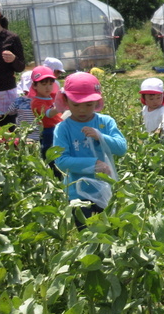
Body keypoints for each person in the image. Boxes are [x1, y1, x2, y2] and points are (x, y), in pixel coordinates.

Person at [53, 72, 127, 228]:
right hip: (77, 191)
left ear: (97, 101)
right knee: (86, 232)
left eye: (88, 104)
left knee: (109, 230)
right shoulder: (63, 128)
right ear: (66, 100)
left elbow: (121, 148)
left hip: (104, 187)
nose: (82, 110)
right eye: (76, 105)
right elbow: (61, 161)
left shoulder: (105, 122)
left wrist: (101, 136)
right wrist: (94, 164)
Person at [29, 66, 63, 175]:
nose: (48, 87)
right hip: (48, 131)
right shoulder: (36, 102)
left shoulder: (52, 96)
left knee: (62, 152)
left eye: (50, 84)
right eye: (44, 84)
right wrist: (60, 106)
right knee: (50, 155)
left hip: (59, 127)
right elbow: (48, 114)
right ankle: (54, 174)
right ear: (34, 86)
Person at [7, 71, 40, 144]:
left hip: (23, 137)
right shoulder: (42, 100)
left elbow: (9, 111)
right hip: (39, 136)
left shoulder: (19, 101)